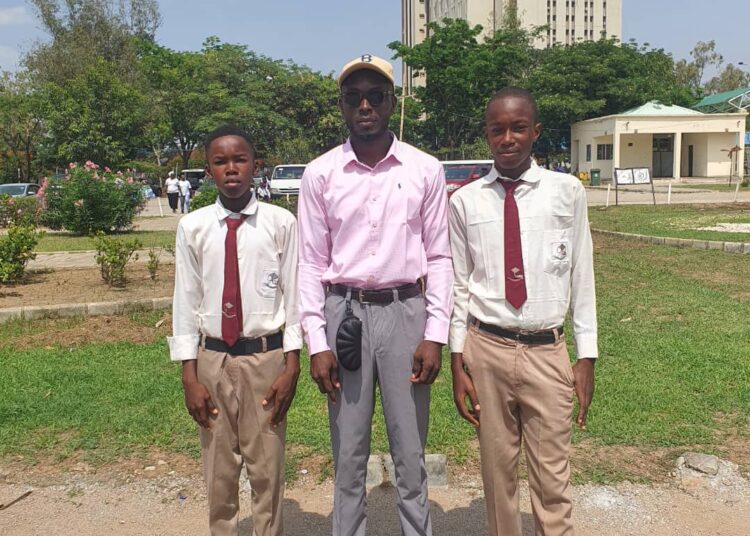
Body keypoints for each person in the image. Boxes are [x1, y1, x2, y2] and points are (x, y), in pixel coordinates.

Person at [298, 55, 453, 536]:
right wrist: (317, 342)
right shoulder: (320, 174)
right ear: (342, 106)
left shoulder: (425, 170)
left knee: (410, 453)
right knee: (348, 456)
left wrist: (435, 333)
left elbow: (439, 258)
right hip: (344, 315)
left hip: (407, 315)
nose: (365, 104)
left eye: (376, 95)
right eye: (353, 96)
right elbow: (310, 263)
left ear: (392, 101)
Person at [448, 87, 597, 536]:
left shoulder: (566, 192)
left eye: (517, 128)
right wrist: (458, 361)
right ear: (487, 135)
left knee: (552, 475)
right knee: (497, 474)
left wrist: (586, 356)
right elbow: (458, 284)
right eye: (497, 129)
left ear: (535, 132)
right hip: (486, 348)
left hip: (545, 351)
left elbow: (581, 274)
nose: (507, 138)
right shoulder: (465, 201)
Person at [169, 125, 301, 536]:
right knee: (219, 473)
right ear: (208, 170)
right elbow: (185, 301)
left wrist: (291, 365)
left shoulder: (281, 223)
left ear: (255, 166)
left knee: (267, 470)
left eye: (240, 160)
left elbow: (295, 296)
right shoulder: (193, 227)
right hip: (212, 360)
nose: (231, 169)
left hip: (266, 358)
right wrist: (189, 374)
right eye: (220, 161)